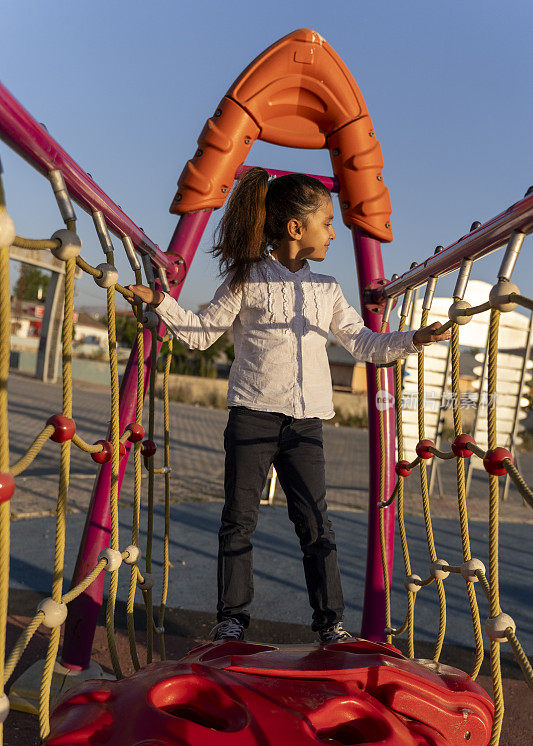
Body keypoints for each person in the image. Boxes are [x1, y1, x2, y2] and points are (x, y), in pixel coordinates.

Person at [127, 168, 449, 643]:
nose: (334, 232)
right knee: (239, 520)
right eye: (326, 222)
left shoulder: (328, 289)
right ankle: (233, 618)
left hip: (305, 425)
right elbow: (199, 333)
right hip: (252, 415)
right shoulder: (248, 279)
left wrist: (415, 339)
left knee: (317, 524)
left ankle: (330, 623)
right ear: (296, 228)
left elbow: (363, 343)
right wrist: (162, 302)